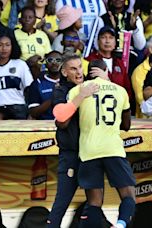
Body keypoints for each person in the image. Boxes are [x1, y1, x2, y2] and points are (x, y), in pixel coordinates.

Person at [66, 59, 135, 228]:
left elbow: (66, 118)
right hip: (113, 149)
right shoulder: (120, 91)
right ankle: (120, 225)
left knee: (94, 202)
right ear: (106, 71)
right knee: (128, 196)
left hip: (88, 150)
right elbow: (126, 125)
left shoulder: (77, 90)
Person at [47, 54, 99, 228]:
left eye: (80, 67)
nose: (79, 72)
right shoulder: (60, 90)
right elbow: (62, 122)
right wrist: (80, 96)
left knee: (94, 206)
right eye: (73, 68)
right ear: (64, 72)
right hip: (71, 154)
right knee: (61, 203)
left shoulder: (90, 87)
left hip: (91, 153)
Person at [0, 34, 33, 120]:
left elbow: (29, 89)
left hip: (18, 109)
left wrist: (31, 112)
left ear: (13, 46)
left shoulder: (20, 64)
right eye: (0, 45)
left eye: (7, 45)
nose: (4, 49)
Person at [94, 0, 146, 75]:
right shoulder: (102, 19)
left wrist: (134, 28)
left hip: (131, 59)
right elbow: (97, 45)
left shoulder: (134, 18)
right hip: (109, 58)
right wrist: (111, 29)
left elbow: (140, 46)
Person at [86, 26, 132, 99]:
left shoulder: (119, 63)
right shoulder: (89, 60)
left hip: (119, 105)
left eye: (111, 38)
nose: (107, 41)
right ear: (98, 41)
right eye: (103, 37)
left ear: (115, 43)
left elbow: (127, 89)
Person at [15, 6, 51, 77]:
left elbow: (48, 54)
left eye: (30, 17)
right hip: (21, 70)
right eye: (24, 17)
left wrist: (39, 57)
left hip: (41, 70)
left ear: (35, 20)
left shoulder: (42, 35)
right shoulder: (14, 34)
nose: (27, 20)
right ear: (20, 20)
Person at [26, 51, 62, 120]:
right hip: (45, 125)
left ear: (63, 63)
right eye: (50, 60)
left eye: (58, 60)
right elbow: (33, 113)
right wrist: (53, 98)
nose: (54, 63)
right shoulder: (37, 83)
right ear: (45, 63)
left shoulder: (68, 80)